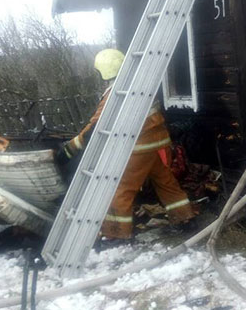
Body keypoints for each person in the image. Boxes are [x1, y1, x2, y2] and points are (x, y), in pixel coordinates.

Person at [57, 48, 197, 242]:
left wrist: (70, 149)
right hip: (160, 146)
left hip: (138, 150)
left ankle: (116, 234)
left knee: (120, 189)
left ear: (104, 71)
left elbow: (94, 128)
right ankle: (185, 219)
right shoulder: (141, 84)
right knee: (166, 183)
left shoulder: (115, 94)